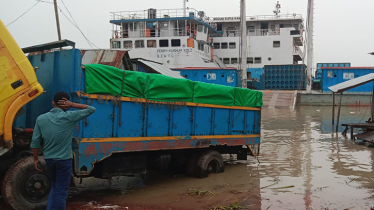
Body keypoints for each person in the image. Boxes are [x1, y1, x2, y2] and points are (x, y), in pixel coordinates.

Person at [31, 92, 96, 210]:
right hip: (64, 161)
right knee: (61, 192)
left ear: (53, 103)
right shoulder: (69, 116)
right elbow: (92, 109)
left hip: (49, 160)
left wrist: (35, 159)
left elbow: (35, 142)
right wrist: (72, 104)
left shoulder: (41, 119)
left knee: (54, 187)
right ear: (66, 105)